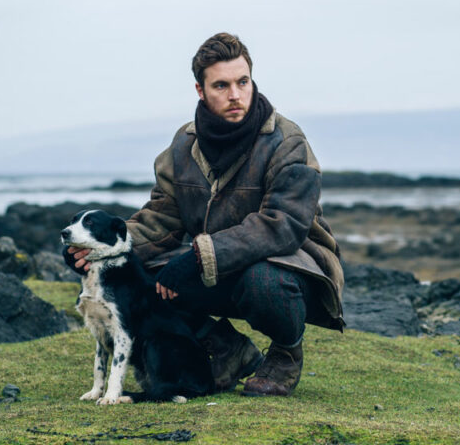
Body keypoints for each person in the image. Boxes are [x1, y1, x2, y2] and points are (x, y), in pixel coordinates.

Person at [65, 32, 344, 397]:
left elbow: (284, 226)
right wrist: (100, 250)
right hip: (217, 268)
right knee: (138, 272)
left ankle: (286, 353)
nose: (235, 95)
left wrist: (198, 257)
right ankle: (229, 349)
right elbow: (161, 217)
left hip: (291, 269)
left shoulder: (287, 141)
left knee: (264, 280)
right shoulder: (184, 145)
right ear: (200, 90)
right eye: (222, 85)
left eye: (243, 82)